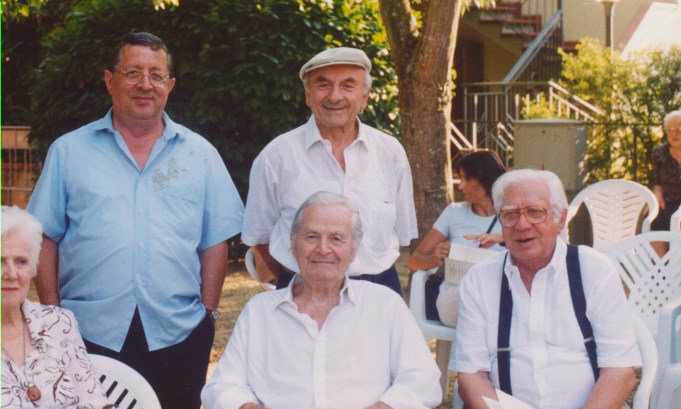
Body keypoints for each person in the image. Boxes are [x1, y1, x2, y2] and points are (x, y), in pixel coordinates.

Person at [27, 32, 245, 409]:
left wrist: (207, 317)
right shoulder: (69, 152)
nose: (145, 84)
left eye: (156, 75)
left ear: (170, 85)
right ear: (110, 80)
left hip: (178, 334)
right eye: (132, 72)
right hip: (86, 332)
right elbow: (44, 237)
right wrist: (53, 316)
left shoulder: (199, 154)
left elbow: (214, 242)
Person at [202, 192, 442, 409]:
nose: (323, 249)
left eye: (337, 238)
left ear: (353, 250)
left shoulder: (385, 305)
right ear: (294, 246)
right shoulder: (260, 312)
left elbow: (424, 381)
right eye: (312, 236)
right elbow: (221, 387)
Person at [452, 169, 641, 409]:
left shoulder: (595, 270)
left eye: (534, 212)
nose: (522, 224)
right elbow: (471, 375)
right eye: (510, 214)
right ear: (500, 221)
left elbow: (620, 372)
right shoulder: (480, 279)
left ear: (559, 218)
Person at [242, 47, 417, 294]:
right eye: (323, 85)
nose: (335, 96)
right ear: (308, 95)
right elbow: (259, 238)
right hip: (302, 293)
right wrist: (298, 281)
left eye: (348, 85)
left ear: (364, 97)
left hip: (378, 294)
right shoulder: (276, 156)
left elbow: (400, 234)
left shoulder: (391, 153)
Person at [1, 205, 111, 409]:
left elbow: (95, 402)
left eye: (21, 261)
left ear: (33, 268)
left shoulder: (59, 323)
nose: (11, 274)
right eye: (0, 261)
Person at [406, 150, 506, 327]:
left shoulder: (512, 214)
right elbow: (413, 262)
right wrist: (436, 258)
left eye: (467, 179)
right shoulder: (454, 212)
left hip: (499, 300)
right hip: (456, 302)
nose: (460, 186)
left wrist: (502, 239)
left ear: (486, 179)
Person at [651, 109, 681, 255]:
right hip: (669, 200)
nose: (675, 134)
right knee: (655, 215)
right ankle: (660, 270)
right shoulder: (659, 153)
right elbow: (656, 181)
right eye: (671, 130)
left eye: (679, 130)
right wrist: (657, 195)